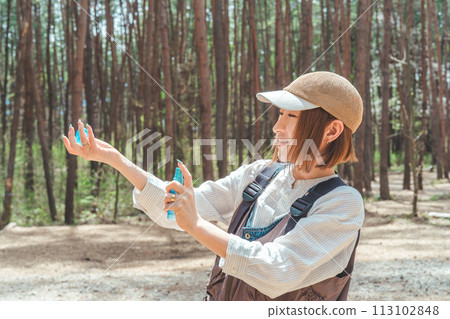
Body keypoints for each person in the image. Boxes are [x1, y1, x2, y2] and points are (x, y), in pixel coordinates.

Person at [62, 71, 364, 301]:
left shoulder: (342, 205)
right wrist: (115, 159)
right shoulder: (260, 174)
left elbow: (276, 270)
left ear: (332, 130)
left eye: (291, 116)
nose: (277, 127)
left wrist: (194, 225)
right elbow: (172, 211)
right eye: (280, 114)